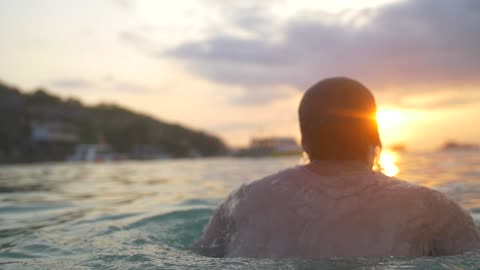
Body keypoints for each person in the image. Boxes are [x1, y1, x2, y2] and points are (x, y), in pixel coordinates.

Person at [194, 77, 480, 258]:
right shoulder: (431, 207)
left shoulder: (243, 201)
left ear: (305, 140)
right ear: (374, 137)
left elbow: (199, 257)